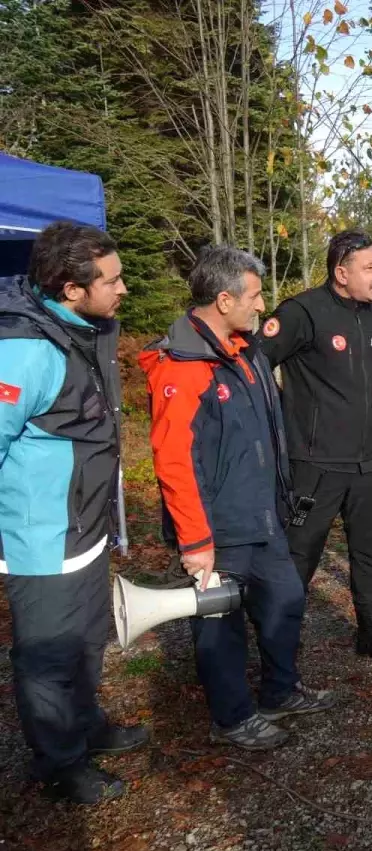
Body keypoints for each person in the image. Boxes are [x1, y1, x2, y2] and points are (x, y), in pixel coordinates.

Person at [141, 247, 335, 750]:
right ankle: (231, 718)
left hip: (262, 515)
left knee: (286, 600)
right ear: (224, 300)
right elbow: (174, 460)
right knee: (219, 625)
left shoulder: (245, 351)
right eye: (254, 295)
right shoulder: (182, 366)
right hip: (218, 527)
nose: (262, 305)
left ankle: (280, 691)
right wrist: (195, 540)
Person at [0, 221, 146, 804]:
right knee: (48, 657)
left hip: (84, 528)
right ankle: (59, 765)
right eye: (112, 280)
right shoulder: (23, 351)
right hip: (43, 538)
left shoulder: (83, 328)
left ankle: (86, 727)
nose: (124, 288)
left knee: (86, 640)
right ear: (71, 288)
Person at [259, 230, 372, 666]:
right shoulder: (302, 313)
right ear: (341, 273)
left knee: (371, 553)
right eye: (369, 267)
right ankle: (281, 644)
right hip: (315, 464)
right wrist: (283, 420)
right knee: (299, 556)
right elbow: (255, 366)